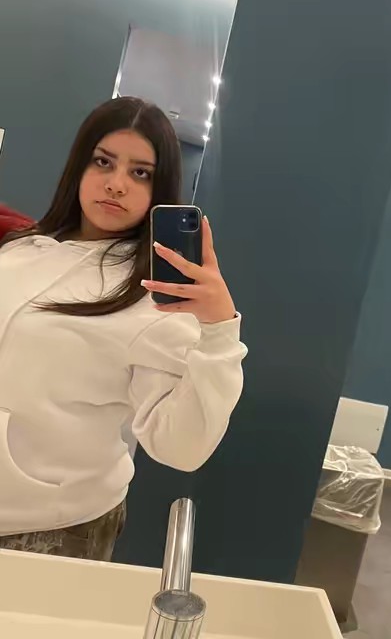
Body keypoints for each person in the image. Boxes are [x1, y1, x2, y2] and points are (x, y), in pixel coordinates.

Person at [0, 97, 247, 561]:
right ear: (79, 167)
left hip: (49, 526)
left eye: (140, 172)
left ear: (160, 188)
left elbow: (182, 448)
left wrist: (217, 333)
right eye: (103, 162)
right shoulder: (20, 248)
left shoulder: (152, 299)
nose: (116, 184)